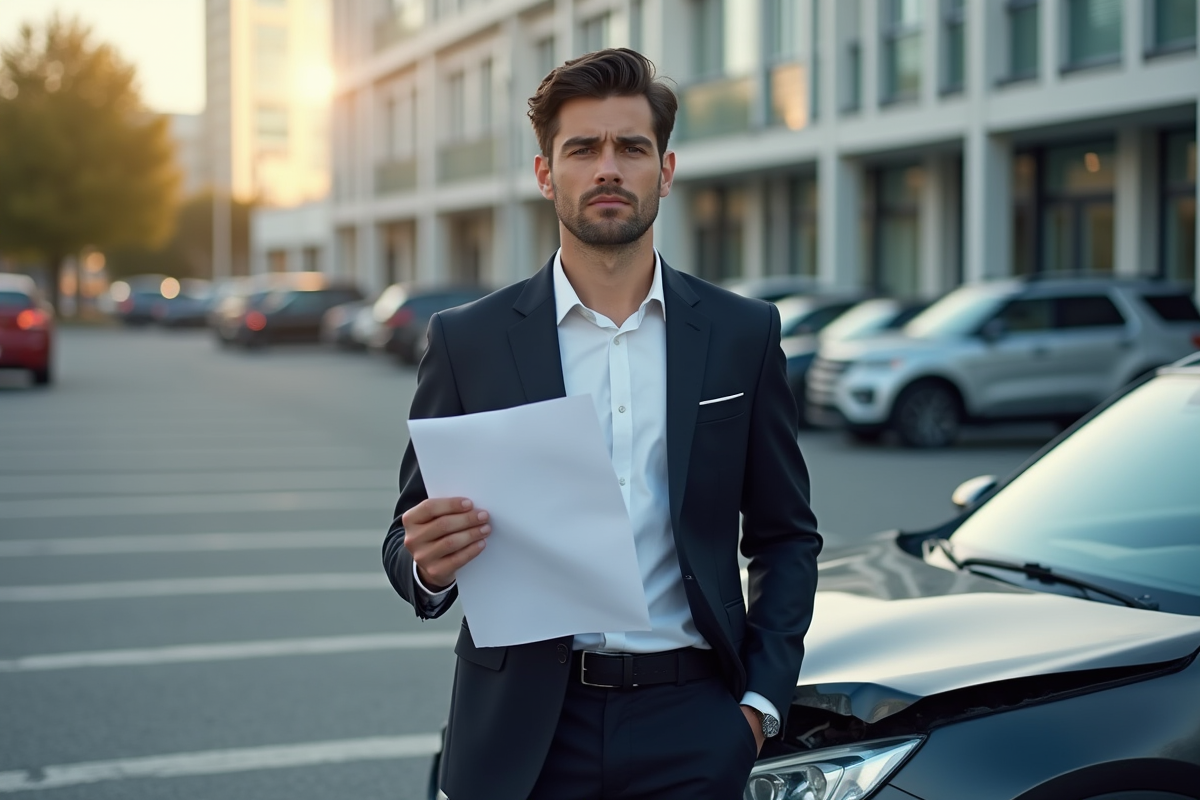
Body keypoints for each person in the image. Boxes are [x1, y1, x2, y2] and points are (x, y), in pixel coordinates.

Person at [382, 48, 822, 800]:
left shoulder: (741, 333)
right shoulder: (470, 341)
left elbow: (785, 535)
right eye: (583, 148)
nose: (608, 167)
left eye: (632, 147)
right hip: (525, 730)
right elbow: (405, 537)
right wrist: (427, 566)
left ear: (667, 170)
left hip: (695, 724)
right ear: (546, 174)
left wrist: (757, 706)